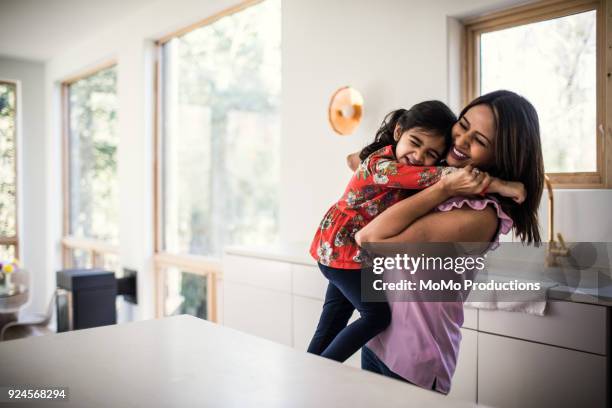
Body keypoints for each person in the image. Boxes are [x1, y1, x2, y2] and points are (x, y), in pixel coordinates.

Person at [352, 90, 544, 394]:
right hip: (379, 339)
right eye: (463, 124)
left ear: (502, 156)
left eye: (480, 141)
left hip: (413, 358)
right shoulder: (442, 180)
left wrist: (443, 188)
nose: (461, 140)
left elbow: (371, 240)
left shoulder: (478, 216)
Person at [307, 100, 525, 363]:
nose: (420, 157)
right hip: (344, 249)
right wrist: (500, 185)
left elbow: (429, 175)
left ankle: (311, 367)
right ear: (399, 132)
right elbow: (436, 177)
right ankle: (320, 370)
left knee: (333, 317)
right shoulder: (387, 167)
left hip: (344, 251)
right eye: (416, 143)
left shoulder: (393, 164)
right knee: (375, 317)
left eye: (432, 153)